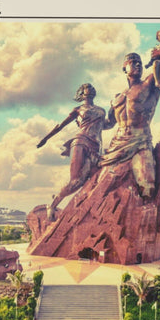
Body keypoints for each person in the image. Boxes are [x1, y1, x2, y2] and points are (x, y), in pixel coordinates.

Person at [99, 48, 160, 198]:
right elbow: (108, 124)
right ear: (124, 68)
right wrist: (89, 121)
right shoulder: (117, 97)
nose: (138, 65)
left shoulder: (151, 82)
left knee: (147, 186)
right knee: (102, 185)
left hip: (140, 142)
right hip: (117, 145)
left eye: (140, 63)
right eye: (133, 62)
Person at [36, 83, 112, 220]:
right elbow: (60, 126)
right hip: (81, 142)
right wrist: (45, 139)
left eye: (92, 87)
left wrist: (117, 108)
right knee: (75, 181)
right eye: (87, 87)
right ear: (82, 94)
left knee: (94, 180)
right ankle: (52, 205)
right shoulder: (77, 110)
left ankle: (90, 212)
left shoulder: (101, 110)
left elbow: (108, 124)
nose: (90, 88)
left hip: (96, 147)